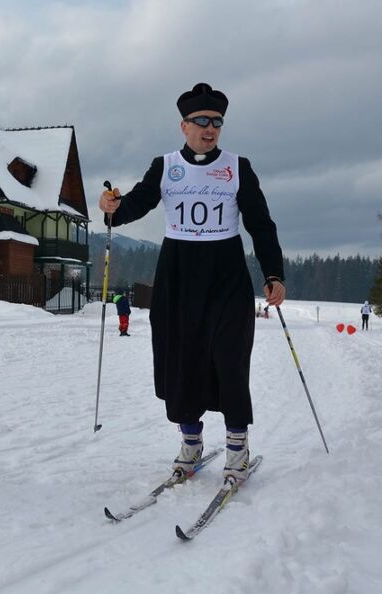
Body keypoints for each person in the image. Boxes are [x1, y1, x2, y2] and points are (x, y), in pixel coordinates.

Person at [98, 83, 286, 484]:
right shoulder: (165, 166)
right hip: (179, 274)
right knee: (180, 359)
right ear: (183, 126)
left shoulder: (238, 167)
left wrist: (273, 274)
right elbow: (136, 203)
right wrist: (112, 209)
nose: (210, 128)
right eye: (201, 121)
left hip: (226, 273)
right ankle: (191, 442)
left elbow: (260, 224)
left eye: (217, 122)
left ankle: (237, 447)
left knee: (230, 359)